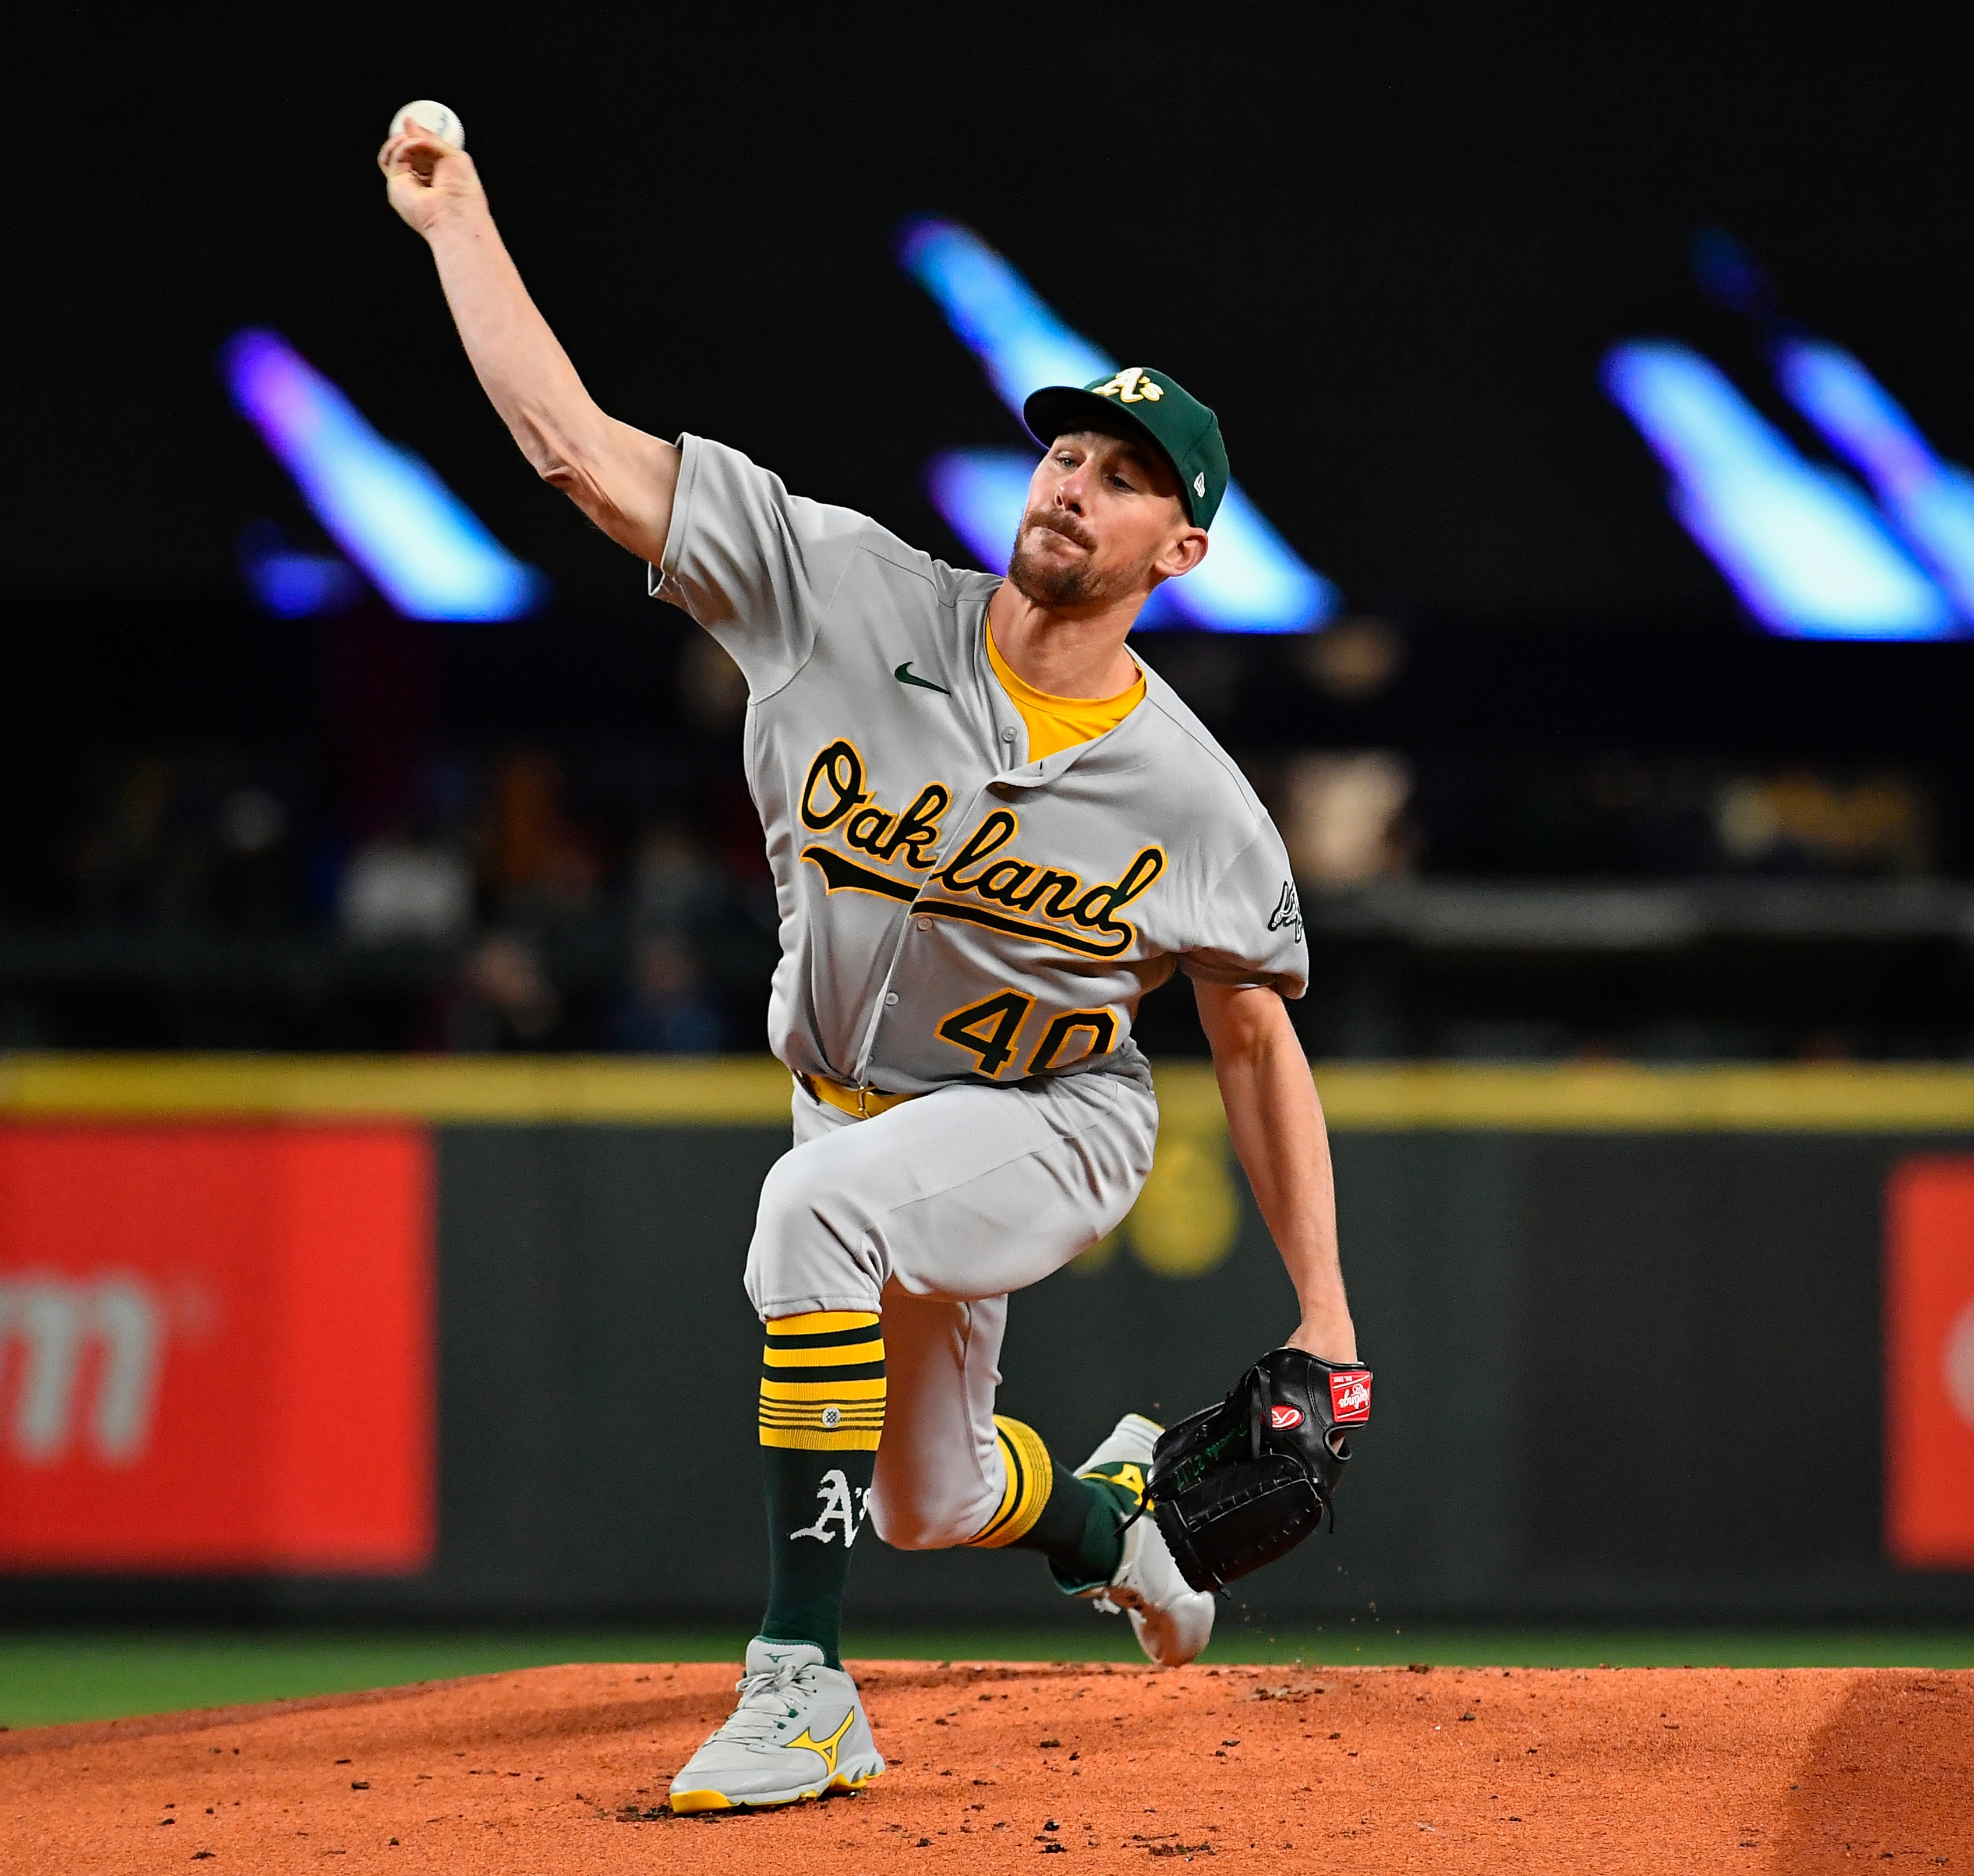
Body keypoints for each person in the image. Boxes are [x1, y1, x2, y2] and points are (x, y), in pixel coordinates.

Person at [381, 116, 1357, 1815]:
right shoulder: (840, 591)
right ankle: (1111, 1524)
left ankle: (803, 1684)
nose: (1074, 480)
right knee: (927, 1487)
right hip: (850, 1106)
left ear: (1179, 552)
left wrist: (1329, 1314)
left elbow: (1256, 1044)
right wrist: (456, 220)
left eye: (1126, 476)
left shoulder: (1197, 794)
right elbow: (571, 450)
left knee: (807, 1223)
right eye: (1066, 451)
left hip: (1055, 1119)